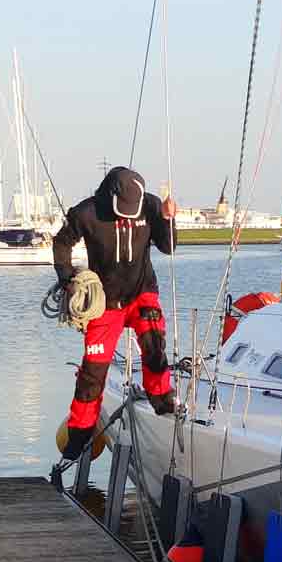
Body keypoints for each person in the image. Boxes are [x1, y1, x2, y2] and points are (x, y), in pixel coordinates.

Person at [51, 166, 179, 463]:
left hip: (142, 291)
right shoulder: (86, 212)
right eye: (122, 209)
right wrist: (67, 278)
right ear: (110, 196)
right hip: (105, 303)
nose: (127, 215)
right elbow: (61, 243)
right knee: (93, 372)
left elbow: (168, 246)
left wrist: (170, 220)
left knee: (154, 344)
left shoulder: (150, 206)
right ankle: (80, 433)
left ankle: (162, 400)